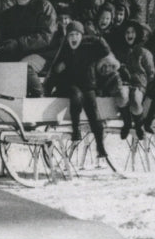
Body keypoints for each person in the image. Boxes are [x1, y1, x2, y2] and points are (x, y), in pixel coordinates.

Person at [45, 21, 111, 158]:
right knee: (76, 96)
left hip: (88, 86)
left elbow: (105, 51)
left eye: (77, 35)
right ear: (67, 37)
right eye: (71, 35)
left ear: (82, 36)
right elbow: (54, 71)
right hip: (70, 85)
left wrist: (97, 38)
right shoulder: (64, 50)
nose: (74, 38)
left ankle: (100, 146)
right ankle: (76, 130)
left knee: (94, 115)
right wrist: (48, 88)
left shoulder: (89, 48)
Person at [0, 0, 57, 96]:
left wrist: (18, 43)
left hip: (44, 53)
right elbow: (5, 33)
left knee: (23, 66)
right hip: (22, 51)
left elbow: (46, 36)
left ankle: (40, 94)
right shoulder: (12, 12)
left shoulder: (43, 6)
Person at [109, 21, 155, 140]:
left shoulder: (144, 52)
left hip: (139, 85)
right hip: (124, 83)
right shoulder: (119, 52)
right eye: (127, 32)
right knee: (121, 97)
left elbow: (151, 73)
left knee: (135, 101)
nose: (130, 35)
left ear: (137, 34)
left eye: (133, 32)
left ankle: (139, 126)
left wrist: (149, 87)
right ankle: (127, 123)